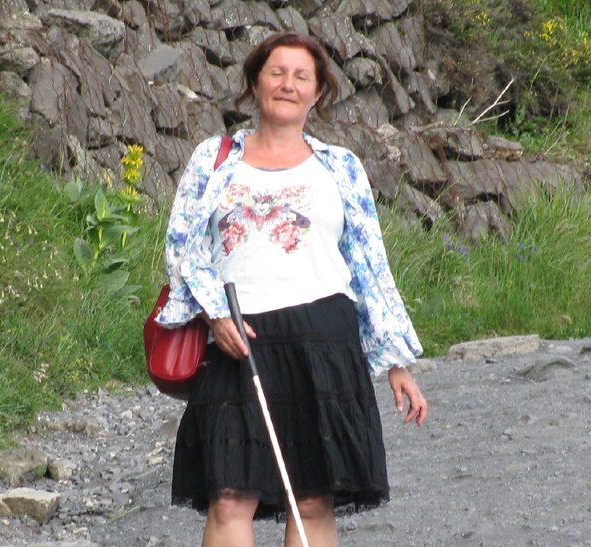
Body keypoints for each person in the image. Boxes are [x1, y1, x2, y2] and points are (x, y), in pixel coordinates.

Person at [156, 31, 428, 547]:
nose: (288, 84)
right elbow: (182, 247)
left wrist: (395, 361)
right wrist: (215, 314)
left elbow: (370, 264)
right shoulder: (213, 159)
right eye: (277, 72)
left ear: (318, 93)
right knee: (230, 496)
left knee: (311, 499)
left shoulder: (341, 167)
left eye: (302, 76)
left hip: (323, 340)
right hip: (239, 337)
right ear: (255, 83)